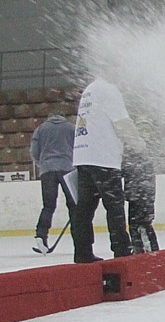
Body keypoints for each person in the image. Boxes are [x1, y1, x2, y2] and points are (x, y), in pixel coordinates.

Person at [71, 77, 146, 263]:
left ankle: (82, 252)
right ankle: (121, 250)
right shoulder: (109, 90)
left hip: (83, 156)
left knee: (84, 209)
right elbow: (122, 123)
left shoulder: (90, 89)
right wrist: (139, 145)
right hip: (103, 158)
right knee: (114, 207)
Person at [30, 103, 76, 253]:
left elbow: (34, 151)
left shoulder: (41, 129)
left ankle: (41, 235)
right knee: (74, 205)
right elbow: (78, 147)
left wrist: (41, 163)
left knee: (48, 206)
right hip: (68, 169)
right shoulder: (71, 128)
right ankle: (80, 237)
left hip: (47, 170)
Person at [122, 119, 159, 253]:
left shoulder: (132, 148)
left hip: (137, 192)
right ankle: (147, 249)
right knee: (143, 223)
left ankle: (142, 248)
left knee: (138, 223)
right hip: (143, 192)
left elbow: (126, 168)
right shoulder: (146, 148)